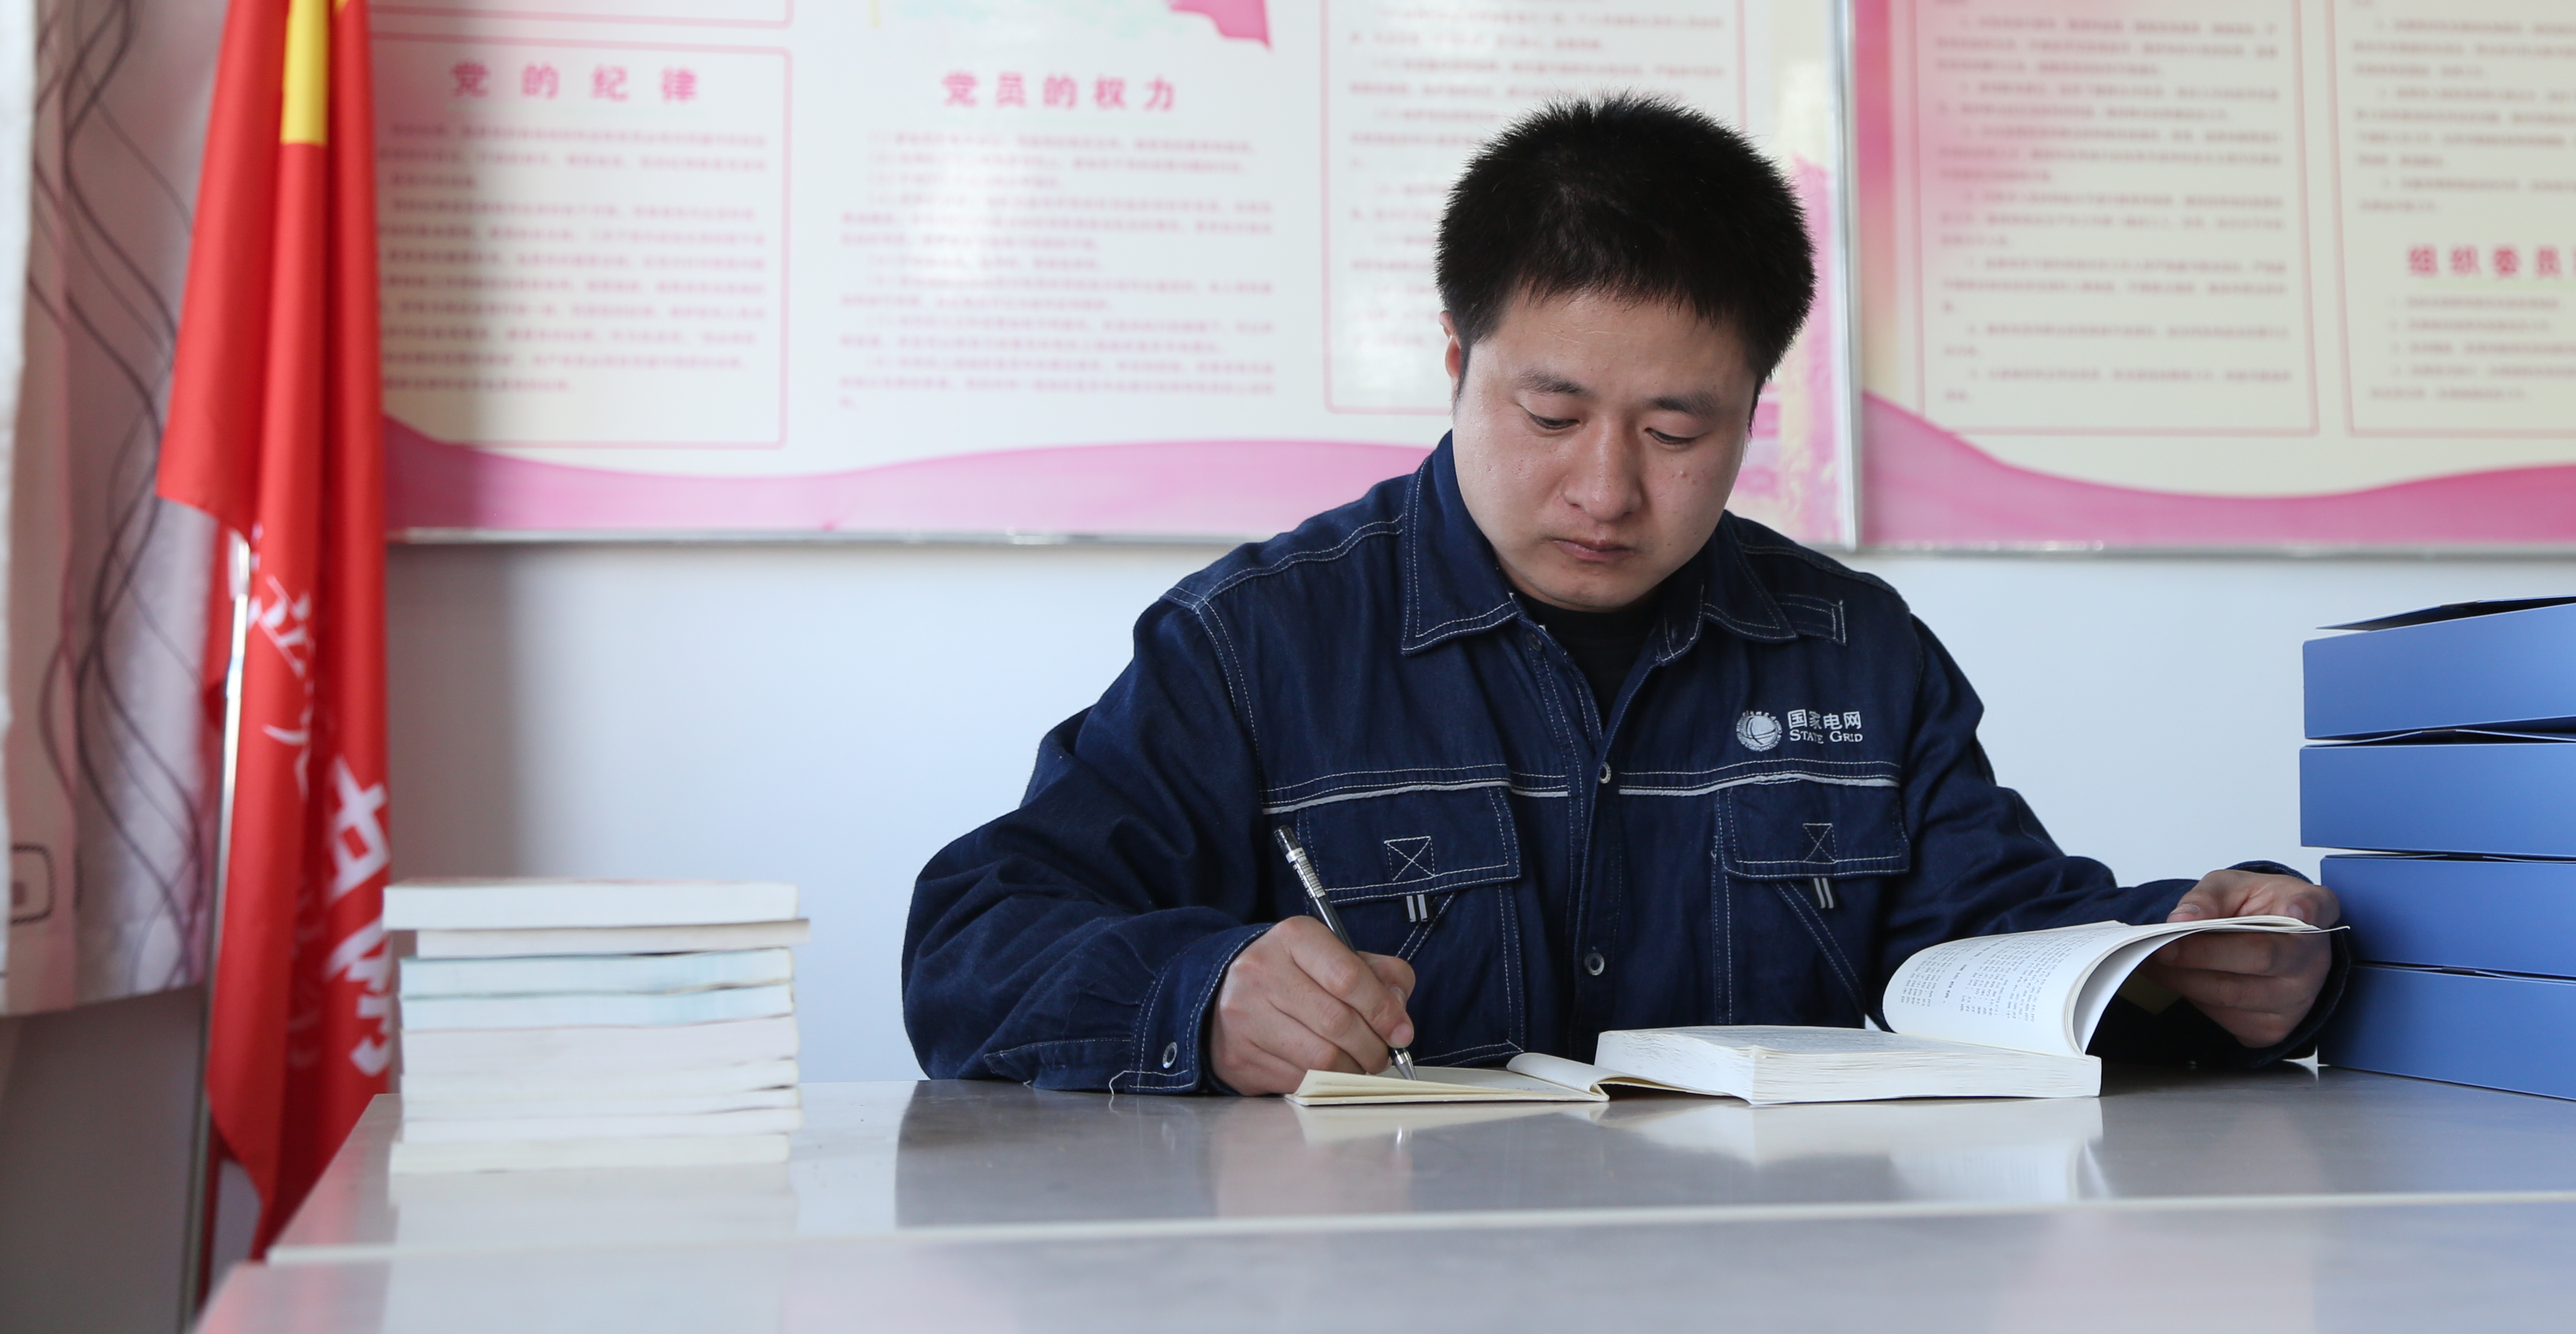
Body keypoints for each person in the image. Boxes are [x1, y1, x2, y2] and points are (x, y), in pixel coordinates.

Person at [903, 96, 2345, 1093]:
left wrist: (2189, 956)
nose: (1605, 489)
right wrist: (1204, 997)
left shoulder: (1852, 651)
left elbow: (1991, 946)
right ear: (1455, 361)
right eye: (1551, 415)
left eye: (1674, 431)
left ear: (1753, 411)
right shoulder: (1260, 642)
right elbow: (971, 941)